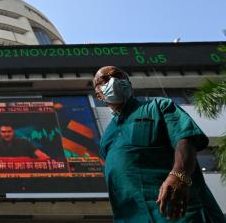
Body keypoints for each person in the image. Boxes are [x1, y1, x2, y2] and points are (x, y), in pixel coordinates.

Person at [94, 66, 225, 223]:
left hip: (179, 212)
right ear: (99, 96)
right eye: (105, 80)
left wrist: (179, 175)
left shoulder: (159, 106)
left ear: (129, 84)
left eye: (118, 76)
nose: (113, 81)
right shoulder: (106, 137)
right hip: (132, 217)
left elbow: (185, 139)